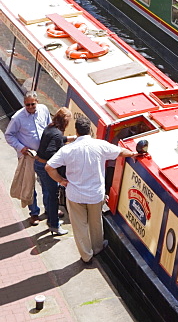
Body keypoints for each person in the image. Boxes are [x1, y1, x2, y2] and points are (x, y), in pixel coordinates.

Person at [46, 116, 134, 265]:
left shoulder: (67, 149)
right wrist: (134, 153)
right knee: (96, 222)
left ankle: (86, 256)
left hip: (75, 195)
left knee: (80, 227)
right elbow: (121, 152)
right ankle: (98, 248)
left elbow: (49, 167)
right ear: (90, 131)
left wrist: (61, 180)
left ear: (77, 131)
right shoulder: (100, 145)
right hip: (95, 194)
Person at [5, 91, 50, 225]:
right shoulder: (17, 118)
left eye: (33, 104)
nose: (30, 107)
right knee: (29, 185)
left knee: (47, 183)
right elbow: (9, 135)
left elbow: (49, 127)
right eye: (27, 105)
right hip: (28, 157)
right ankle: (34, 213)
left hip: (43, 155)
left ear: (37, 102)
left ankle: (49, 209)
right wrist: (21, 148)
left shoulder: (44, 110)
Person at [35, 107, 72, 236]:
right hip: (46, 168)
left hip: (38, 164)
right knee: (53, 196)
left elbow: (55, 140)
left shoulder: (50, 128)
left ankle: (51, 218)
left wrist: (69, 139)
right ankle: (54, 225)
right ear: (65, 122)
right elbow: (51, 151)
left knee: (48, 192)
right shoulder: (57, 133)